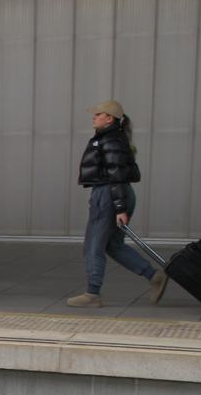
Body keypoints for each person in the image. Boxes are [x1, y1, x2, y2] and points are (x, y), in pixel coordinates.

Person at [67, 100, 167, 307]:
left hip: (109, 194)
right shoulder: (111, 138)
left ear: (109, 118)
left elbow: (116, 174)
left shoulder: (111, 140)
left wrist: (119, 207)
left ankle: (92, 294)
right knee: (113, 245)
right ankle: (154, 276)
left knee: (93, 245)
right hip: (113, 193)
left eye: (98, 114)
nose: (94, 117)